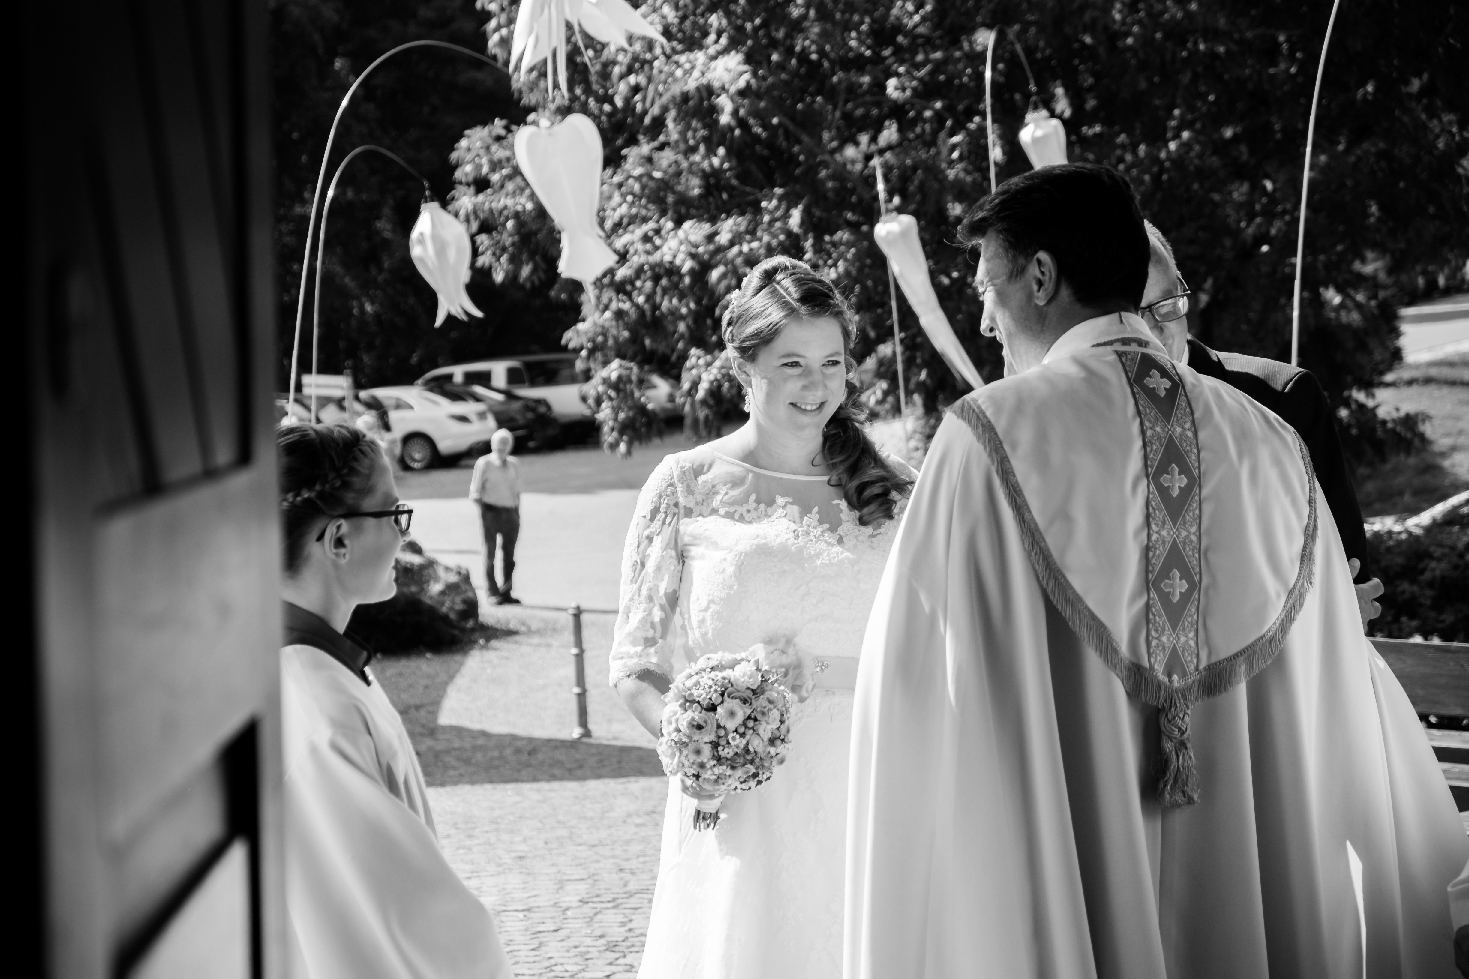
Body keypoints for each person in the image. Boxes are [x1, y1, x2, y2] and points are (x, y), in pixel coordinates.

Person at [845, 164, 1467, 978]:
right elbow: (1336, 687)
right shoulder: (1266, 439)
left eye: (988, 286)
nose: (986, 316)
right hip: (1247, 840)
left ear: (1040, 275)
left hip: (1064, 837)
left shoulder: (987, 431)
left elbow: (913, 680)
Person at [611, 257, 915, 979]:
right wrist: (695, 753)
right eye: (792, 363)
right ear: (741, 366)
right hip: (745, 807)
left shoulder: (901, 490)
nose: (817, 386)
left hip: (874, 788)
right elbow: (633, 663)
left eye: (832, 362)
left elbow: (940, 645)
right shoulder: (684, 485)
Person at [277, 424, 513, 979]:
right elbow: (418, 919)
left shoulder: (321, 669)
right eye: (393, 515)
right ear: (338, 539)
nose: (404, 535)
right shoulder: (319, 705)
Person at [1139, 221, 1384, 630]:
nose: (1155, 329)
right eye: (1134, 313)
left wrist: (1330, 609)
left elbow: (1348, 571)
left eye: (1166, 306)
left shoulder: (1282, 397)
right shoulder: (1082, 424)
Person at [469, 429, 522, 605]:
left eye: (505, 446)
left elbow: (516, 491)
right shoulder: (484, 463)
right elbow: (475, 493)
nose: (502, 449)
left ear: (510, 447)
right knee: (490, 553)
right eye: (499, 446)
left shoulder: (514, 464)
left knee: (509, 555)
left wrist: (516, 512)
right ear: (492, 445)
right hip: (491, 511)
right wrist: (485, 511)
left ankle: (506, 591)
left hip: (511, 512)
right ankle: (492, 593)